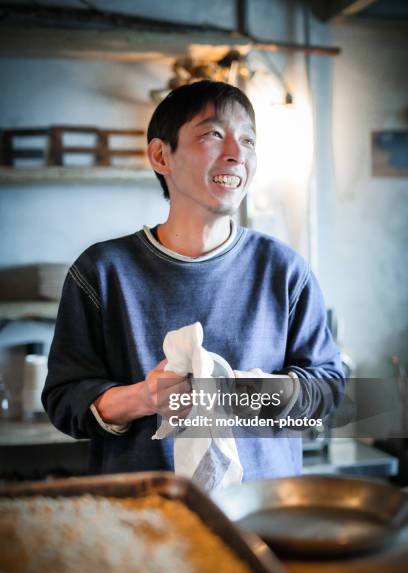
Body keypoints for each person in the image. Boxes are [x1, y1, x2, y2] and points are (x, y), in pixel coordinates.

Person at [42, 80, 344, 480]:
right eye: (214, 135)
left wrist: (247, 394)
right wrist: (144, 397)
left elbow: (329, 391)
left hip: (262, 515)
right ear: (161, 155)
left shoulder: (285, 270)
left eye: (249, 141)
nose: (237, 154)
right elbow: (64, 400)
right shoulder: (101, 271)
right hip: (144, 517)